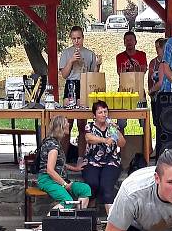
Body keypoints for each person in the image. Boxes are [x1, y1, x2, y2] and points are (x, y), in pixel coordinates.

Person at [59, 26, 102, 156]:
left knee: (82, 125)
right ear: (71, 39)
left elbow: (93, 76)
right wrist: (71, 60)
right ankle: (63, 159)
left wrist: (98, 65)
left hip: (84, 85)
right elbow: (64, 75)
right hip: (71, 85)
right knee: (67, 125)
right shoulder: (66, 53)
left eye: (78, 38)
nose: (76, 41)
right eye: (74, 39)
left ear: (83, 38)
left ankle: (81, 158)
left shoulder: (89, 54)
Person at [37, 115, 90, 209]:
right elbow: (50, 170)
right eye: (66, 122)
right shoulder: (53, 146)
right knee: (67, 201)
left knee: (84, 189)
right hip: (48, 180)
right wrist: (65, 184)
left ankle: (79, 219)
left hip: (59, 179)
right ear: (60, 127)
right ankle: (45, 224)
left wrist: (75, 168)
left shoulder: (56, 143)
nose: (68, 124)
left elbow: (59, 163)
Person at [83, 100, 125, 214]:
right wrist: (105, 140)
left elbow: (122, 143)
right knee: (92, 184)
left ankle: (111, 222)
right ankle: (85, 218)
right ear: (94, 115)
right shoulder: (90, 126)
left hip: (111, 161)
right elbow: (88, 138)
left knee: (106, 187)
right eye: (100, 112)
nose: (103, 114)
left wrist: (116, 131)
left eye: (105, 112)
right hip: (93, 161)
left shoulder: (112, 127)